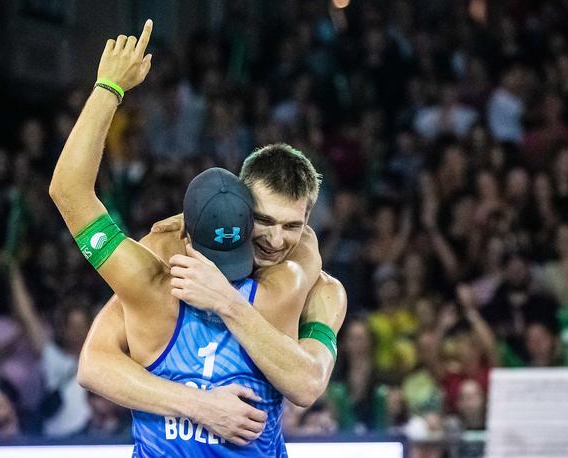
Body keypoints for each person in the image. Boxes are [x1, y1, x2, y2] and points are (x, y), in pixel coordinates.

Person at [50, 21, 346, 456]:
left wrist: (226, 302)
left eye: (293, 226)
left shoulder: (306, 283)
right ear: (242, 209)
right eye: (263, 221)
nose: (277, 241)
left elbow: (307, 384)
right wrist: (199, 406)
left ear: (308, 223)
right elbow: (94, 364)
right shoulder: (156, 267)